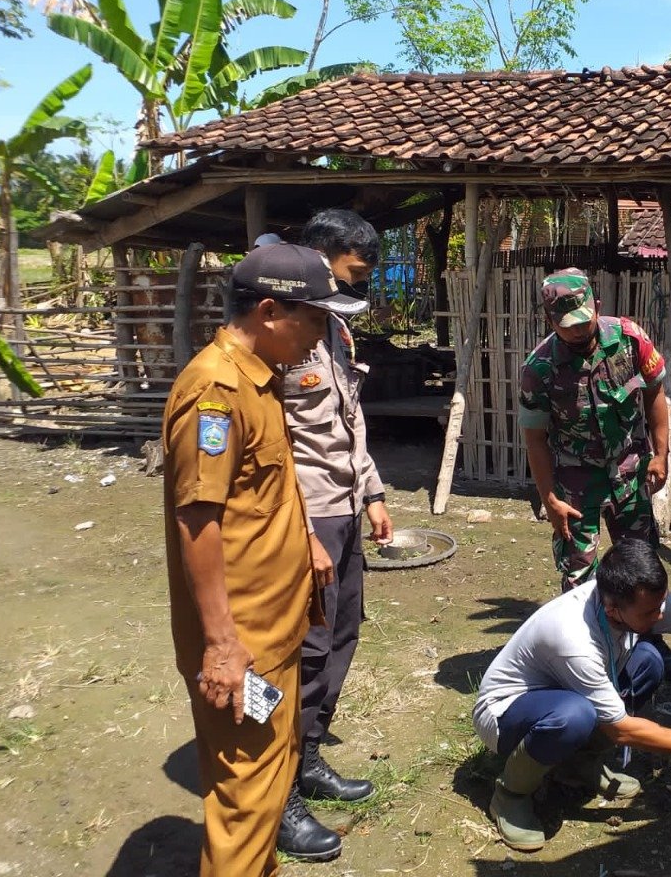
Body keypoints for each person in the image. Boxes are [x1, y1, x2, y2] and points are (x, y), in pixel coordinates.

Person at [162, 242, 369, 876]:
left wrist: (304, 539)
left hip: (275, 635)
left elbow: (263, 486)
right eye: (315, 319)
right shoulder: (217, 394)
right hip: (243, 642)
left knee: (271, 770)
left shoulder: (260, 378)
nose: (322, 336)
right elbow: (198, 519)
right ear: (271, 311)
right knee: (248, 793)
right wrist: (222, 645)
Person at [473, 536, 671, 851]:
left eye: (662, 604)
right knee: (575, 715)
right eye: (649, 613)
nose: (660, 615)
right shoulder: (574, 639)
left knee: (649, 664)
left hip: (558, 693)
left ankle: (576, 765)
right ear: (613, 610)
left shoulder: (643, 600)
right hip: (504, 716)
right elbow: (622, 730)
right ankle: (511, 794)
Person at [277, 210, 395, 861]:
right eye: (352, 270)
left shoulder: (334, 329)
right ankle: (278, 788)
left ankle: (310, 756)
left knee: (343, 632)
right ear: (320, 257)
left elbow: (346, 422)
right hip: (308, 513)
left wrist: (373, 492)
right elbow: (273, 446)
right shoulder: (280, 335)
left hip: (344, 505)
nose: (356, 286)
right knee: (304, 648)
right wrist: (302, 529)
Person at [518, 268, 671, 680]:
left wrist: (660, 455)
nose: (577, 332)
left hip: (630, 473)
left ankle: (652, 643)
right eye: (566, 326)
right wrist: (549, 498)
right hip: (577, 484)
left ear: (596, 305)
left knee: (642, 564)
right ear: (549, 321)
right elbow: (535, 437)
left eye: (583, 321)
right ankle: (585, 659)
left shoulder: (629, 339)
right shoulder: (539, 369)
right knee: (579, 574)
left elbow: (655, 395)